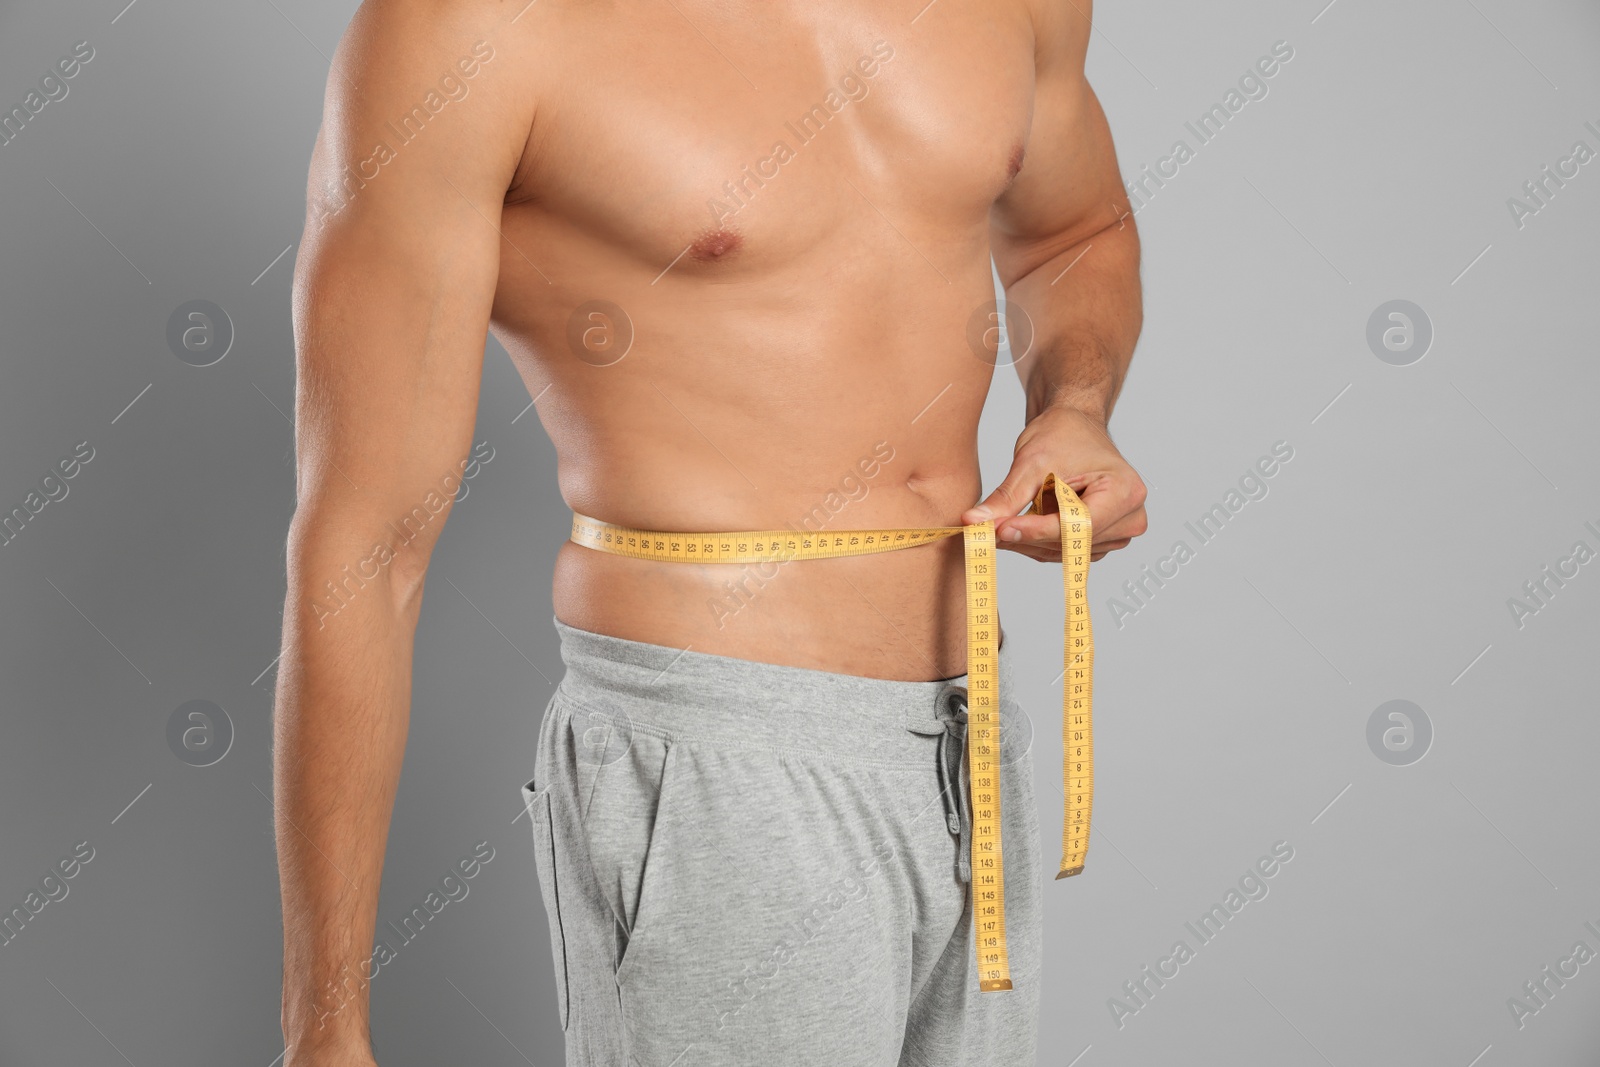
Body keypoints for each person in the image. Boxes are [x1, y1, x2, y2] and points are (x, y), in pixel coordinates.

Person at [273, 0, 1147, 1064]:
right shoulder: (468, 30)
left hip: (971, 737)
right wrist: (326, 1027)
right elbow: (365, 552)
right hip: (716, 750)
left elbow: (1074, 231)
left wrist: (1075, 404)